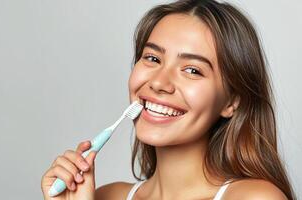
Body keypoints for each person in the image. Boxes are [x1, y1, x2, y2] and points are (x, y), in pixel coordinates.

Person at [41, 0, 296, 199]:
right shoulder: (104, 196)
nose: (159, 83)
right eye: (152, 58)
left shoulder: (254, 198)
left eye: (192, 70)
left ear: (231, 102)